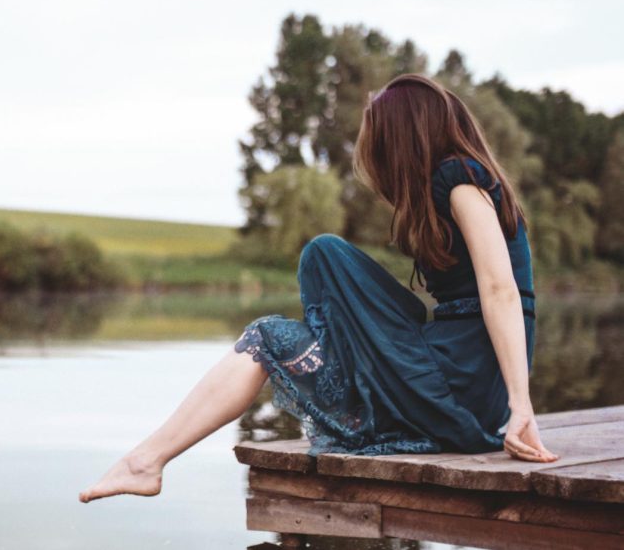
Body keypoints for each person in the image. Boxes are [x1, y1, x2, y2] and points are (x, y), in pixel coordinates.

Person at [78, 73, 558, 504]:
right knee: (299, 294)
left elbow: (502, 290)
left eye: (383, 143)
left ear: (406, 137)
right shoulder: (456, 182)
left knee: (321, 258)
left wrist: (521, 406)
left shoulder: (459, 179)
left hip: (463, 387)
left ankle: (146, 461)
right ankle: (148, 460)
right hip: (456, 379)